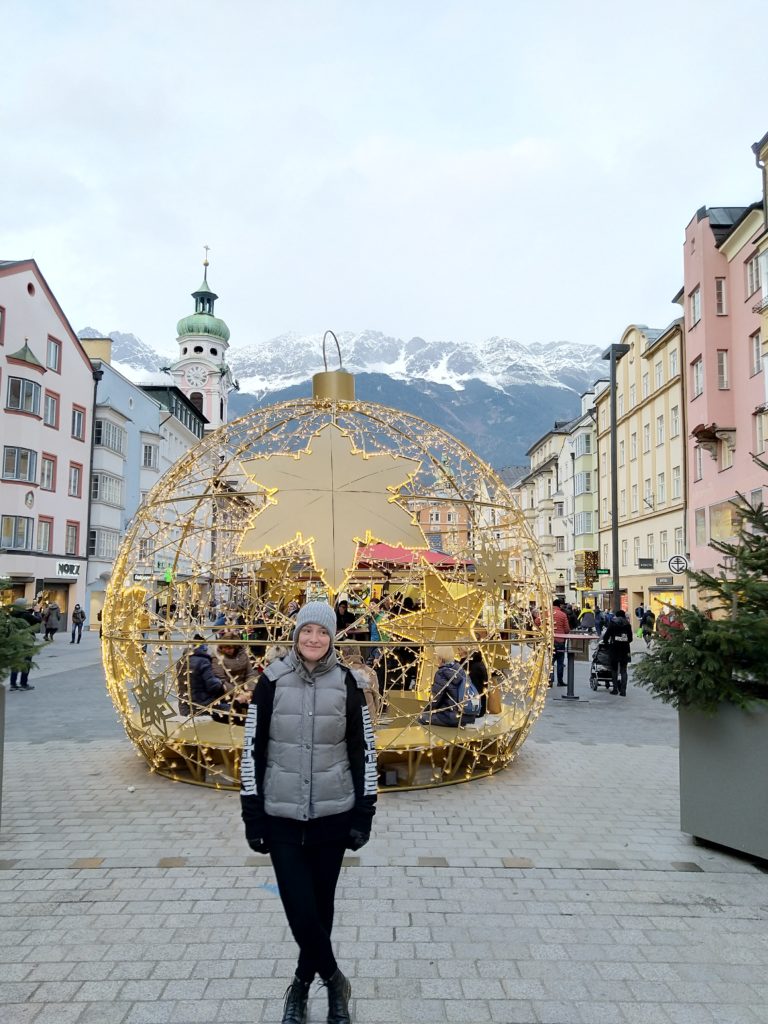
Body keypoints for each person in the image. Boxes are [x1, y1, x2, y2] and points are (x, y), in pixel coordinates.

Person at [240, 602, 377, 1024]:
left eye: (321, 632)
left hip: (333, 812)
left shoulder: (349, 684)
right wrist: (252, 813)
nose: (313, 639)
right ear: (295, 635)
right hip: (280, 813)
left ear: (333, 637)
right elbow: (251, 749)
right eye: (306, 631)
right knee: (300, 909)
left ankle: (300, 989)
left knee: (321, 906)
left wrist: (364, 812)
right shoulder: (271, 681)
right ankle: (335, 981)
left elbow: (364, 750)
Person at [419, 646, 470, 727]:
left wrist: (424, 711)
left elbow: (435, 699)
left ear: (441, 659)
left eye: (437, 657)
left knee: (421, 718)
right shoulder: (460, 670)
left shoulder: (441, 673)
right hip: (464, 717)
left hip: (449, 717)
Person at [176, 636, 226, 717]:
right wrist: (221, 682)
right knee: (231, 709)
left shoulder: (181, 661)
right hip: (202, 706)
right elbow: (212, 685)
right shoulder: (203, 661)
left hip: (184, 707)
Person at [8, 599, 41, 690]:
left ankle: (13, 684)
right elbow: (38, 620)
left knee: (16, 662)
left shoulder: (12, 615)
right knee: (26, 663)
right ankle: (23, 684)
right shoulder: (26, 615)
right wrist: (37, 612)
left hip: (15, 641)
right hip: (27, 641)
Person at [603, 608, 633, 696]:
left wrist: (606, 643)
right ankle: (623, 691)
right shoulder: (628, 624)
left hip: (614, 647)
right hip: (625, 648)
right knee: (624, 670)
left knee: (614, 669)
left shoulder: (613, 623)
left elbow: (606, 635)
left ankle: (615, 689)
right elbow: (630, 639)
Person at [548, 599, 570, 687]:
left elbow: (537, 622)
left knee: (551, 662)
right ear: (560, 605)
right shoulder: (563, 614)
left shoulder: (547, 613)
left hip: (550, 640)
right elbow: (567, 630)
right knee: (560, 662)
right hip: (560, 641)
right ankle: (560, 681)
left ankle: (550, 681)